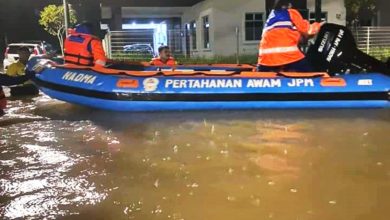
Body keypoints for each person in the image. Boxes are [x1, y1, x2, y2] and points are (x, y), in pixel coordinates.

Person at [257, 0, 323, 72]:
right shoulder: (290, 12)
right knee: (310, 72)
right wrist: (319, 25)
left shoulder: (271, 17)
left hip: (265, 59)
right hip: (288, 55)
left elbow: (281, 35)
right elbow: (307, 30)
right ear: (288, 5)